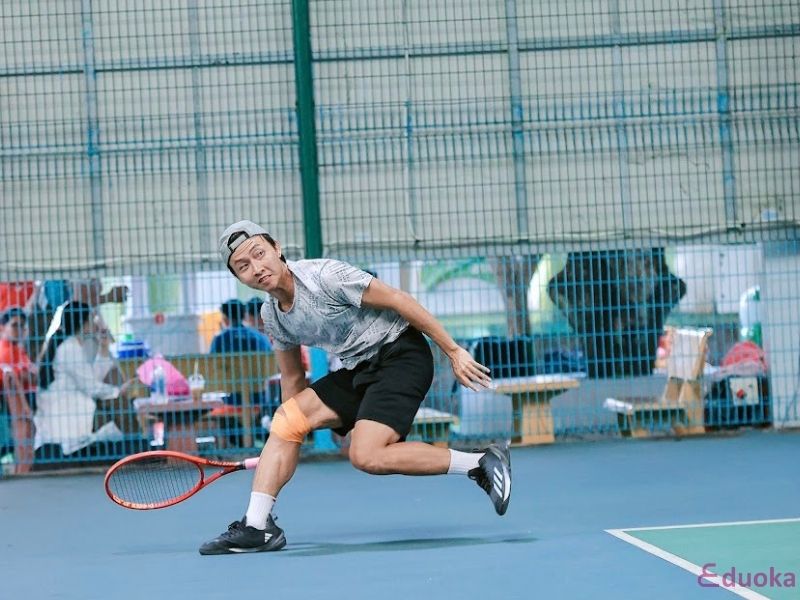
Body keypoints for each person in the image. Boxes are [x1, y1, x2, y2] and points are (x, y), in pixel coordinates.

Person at [199, 220, 511, 555]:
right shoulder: (272, 315)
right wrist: (288, 435)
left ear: (277, 248)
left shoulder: (324, 277)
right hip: (359, 368)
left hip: (400, 354)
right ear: (239, 278)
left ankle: (479, 462)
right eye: (243, 266)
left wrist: (453, 351)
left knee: (367, 455)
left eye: (259, 254)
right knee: (287, 419)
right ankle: (257, 527)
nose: (257, 268)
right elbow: (292, 379)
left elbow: (397, 298)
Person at [33, 302, 136, 457]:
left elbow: (90, 379)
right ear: (83, 323)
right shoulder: (69, 349)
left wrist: (103, 348)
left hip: (73, 417)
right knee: (119, 409)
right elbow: (91, 387)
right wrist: (117, 391)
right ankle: (140, 450)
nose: (96, 322)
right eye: (93, 318)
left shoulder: (72, 346)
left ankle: (138, 449)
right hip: (66, 425)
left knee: (118, 410)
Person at [0, 308, 37, 473]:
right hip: (15, 406)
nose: (20, 330)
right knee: (23, 445)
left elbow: (32, 376)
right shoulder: (5, 352)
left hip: (26, 401)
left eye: (22, 326)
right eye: (15, 325)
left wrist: (27, 375)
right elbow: (13, 379)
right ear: (2, 327)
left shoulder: (18, 350)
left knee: (26, 445)